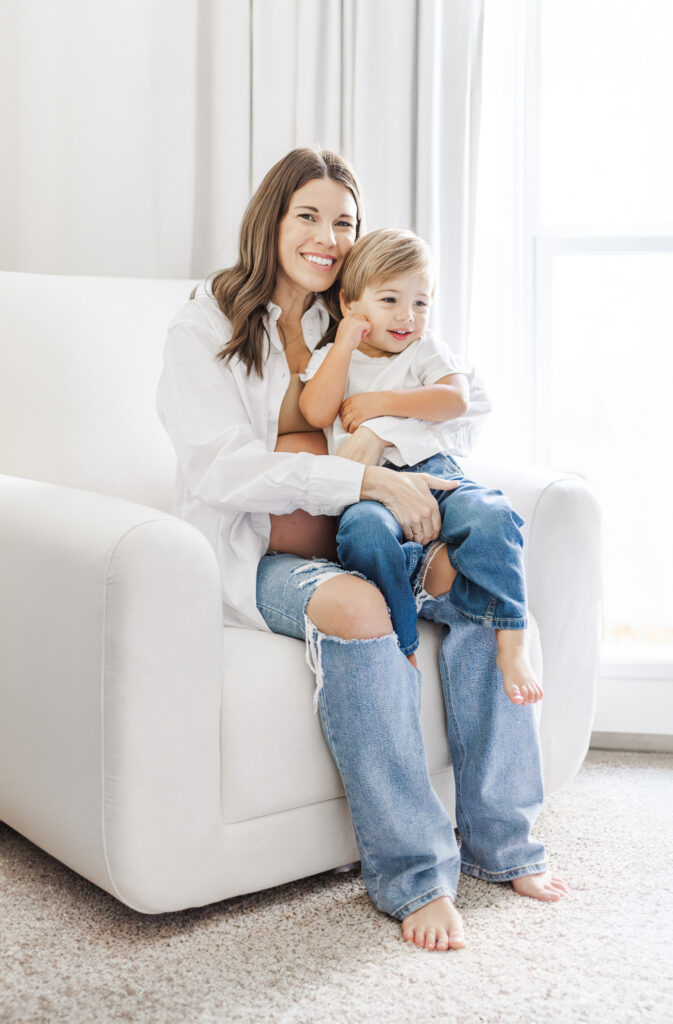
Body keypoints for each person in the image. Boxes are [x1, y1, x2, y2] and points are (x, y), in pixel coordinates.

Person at [156, 147, 568, 954]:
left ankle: (503, 841)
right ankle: (415, 873)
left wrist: (381, 431)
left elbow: (465, 398)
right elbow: (219, 468)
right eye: (307, 215)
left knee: (480, 570)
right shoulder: (203, 322)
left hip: (375, 536)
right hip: (267, 560)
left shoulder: (350, 308)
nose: (326, 236)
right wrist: (363, 485)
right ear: (269, 219)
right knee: (356, 603)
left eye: (342, 220)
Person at [299, 228, 542, 706]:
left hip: (436, 468)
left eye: (421, 302)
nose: (407, 316)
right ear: (349, 303)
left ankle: (512, 638)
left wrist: (380, 404)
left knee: (493, 513)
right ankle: (404, 643)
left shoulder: (424, 350)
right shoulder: (332, 357)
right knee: (363, 535)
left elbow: (455, 399)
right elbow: (315, 411)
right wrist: (345, 344)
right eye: (389, 299)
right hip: (370, 489)